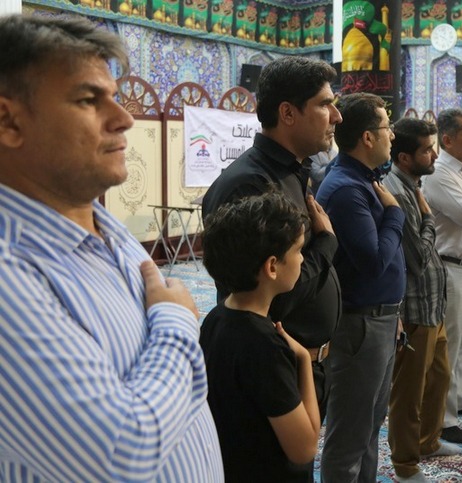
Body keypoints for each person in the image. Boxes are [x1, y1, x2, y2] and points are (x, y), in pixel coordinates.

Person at [0, 15, 223, 481]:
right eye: (88, 99)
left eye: (115, 97)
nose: (124, 119)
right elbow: (122, 453)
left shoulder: (103, 226)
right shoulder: (11, 271)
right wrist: (178, 322)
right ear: (8, 121)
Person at [202, 56, 342, 482]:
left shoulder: (291, 173)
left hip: (299, 363)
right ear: (288, 112)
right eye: (325, 104)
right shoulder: (249, 184)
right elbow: (266, 294)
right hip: (270, 369)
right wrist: (326, 244)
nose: (336, 116)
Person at [316, 93, 406, 482]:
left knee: (369, 426)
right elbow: (373, 262)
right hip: (360, 325)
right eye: (387, 127)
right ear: (367, 137)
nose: (392, 136)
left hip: (378, 320)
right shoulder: (347, 189)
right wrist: (396, 214)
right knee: (350, 437)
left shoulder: (365, 180)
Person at [200, 192, 320, 481]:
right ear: (272, 266)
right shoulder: (265, 347)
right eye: (298, 250)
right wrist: (304, 360)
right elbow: (304, 449)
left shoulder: (216, 318)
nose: (302, 259)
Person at [383, 118, 461, 483]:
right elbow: (416, 257)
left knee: (439, 377)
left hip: (432, 303)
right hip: (414, 306)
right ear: (404, 157)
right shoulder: (399, 192)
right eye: (427, 150)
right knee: (409, 391)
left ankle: (428, 441)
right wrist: (429, 219)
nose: (435, 155)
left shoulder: (412, 184)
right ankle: (405, 463)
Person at [421, 109, 462, 445]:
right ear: (447, 140)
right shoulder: (439, 174)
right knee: (448, 348)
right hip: (450, 269)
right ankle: (444, 419)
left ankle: (457, 401)